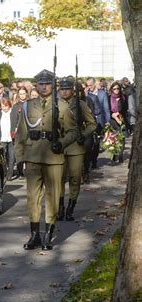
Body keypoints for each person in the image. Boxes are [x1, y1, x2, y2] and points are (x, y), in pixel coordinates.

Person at [15, 70, 77, 251]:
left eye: (47, 83)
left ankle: (48, 234)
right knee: (32, 198)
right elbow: (20, 134)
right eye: (40, 83)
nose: (44, 86)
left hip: (54, 158)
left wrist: (62, 142)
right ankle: (34, 234)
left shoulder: (62, 107)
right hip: (33, 157)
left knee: (52, 197)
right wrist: (20, 158)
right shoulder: (28, 106)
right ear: (36, 85)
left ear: (53, 85)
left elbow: (73, 132)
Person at [57, 78, 96, 221]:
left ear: (73, 90)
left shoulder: (81, 105)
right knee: (59, 178)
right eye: (62, 88)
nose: (64, 91)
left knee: (74, 178)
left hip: (75, 146)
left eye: (67, 88)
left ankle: (70, 207)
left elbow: (92, 124)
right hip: (60, 146)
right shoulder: (55, 104)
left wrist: (83, 135)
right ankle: (60, 206)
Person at [0, 97, 18, 180]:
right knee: (3, 158)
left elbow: (18, 122)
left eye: (6, 106)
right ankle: (4, 173)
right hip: (2, 139)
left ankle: (9, 175)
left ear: (9, 105)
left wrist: (16, 128)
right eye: (3, 106)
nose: (5, 108)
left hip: (11, 138)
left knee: (12, 157)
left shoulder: (13, 112)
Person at [108, 82, 127, 163]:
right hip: (112, 120)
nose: (116, 90)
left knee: (122, 138)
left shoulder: (123, 97)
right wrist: (112, 115)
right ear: (112, 89)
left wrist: (118, 113)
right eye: (114, 89)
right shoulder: (109, 97)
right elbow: (107, 108)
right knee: (113, 138)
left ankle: (120, 155)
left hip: (121, 119)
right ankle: (114, 154)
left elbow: (126, 108)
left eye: (118, 88)